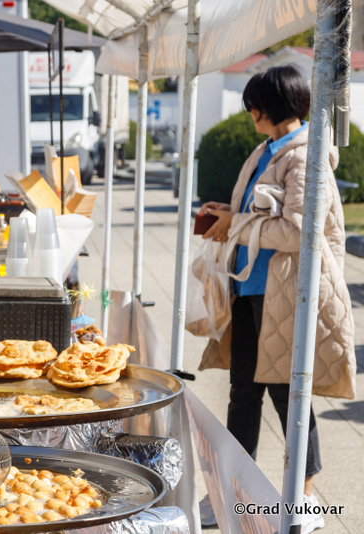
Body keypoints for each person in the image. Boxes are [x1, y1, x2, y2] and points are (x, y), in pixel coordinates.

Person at [198, 65, 356, 533]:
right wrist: (229, 214)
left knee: (290, 396)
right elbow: (259, 215)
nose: (249, 113)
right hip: (252, 289)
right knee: (243, 394)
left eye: (253, 106)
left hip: (286, 295)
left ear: (269, 106)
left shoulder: (304, 155)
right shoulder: (270, 148)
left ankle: (304, 500)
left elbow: (297, 231)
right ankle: (233, 491)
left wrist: (238, 224)